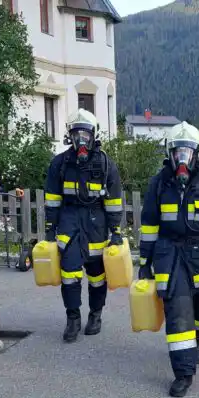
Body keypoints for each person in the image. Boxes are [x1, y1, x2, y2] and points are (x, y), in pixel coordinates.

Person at [137, 121, 199, 397]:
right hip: (170, 257)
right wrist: (144, 262)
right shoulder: (159, 184)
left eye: (187, 152)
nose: (182, 158)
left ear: (197, 153)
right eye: (177, 152)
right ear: (169, 153)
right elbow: (149, 226)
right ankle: (184, 373)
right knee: (179, 314)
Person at [43, 109, 124, 343]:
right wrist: (50, 227)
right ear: (70, 135)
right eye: (77, 134)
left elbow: (114, 202)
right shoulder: (60, 164)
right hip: (69, 221)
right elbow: (52, 199)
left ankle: (95, 315)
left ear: (93, 135)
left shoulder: (106, 165)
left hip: (96, 223)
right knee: (69, 273)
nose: (81, 139)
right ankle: (73, 318)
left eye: (85, 135)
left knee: (97, 276)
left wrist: (116, 232)